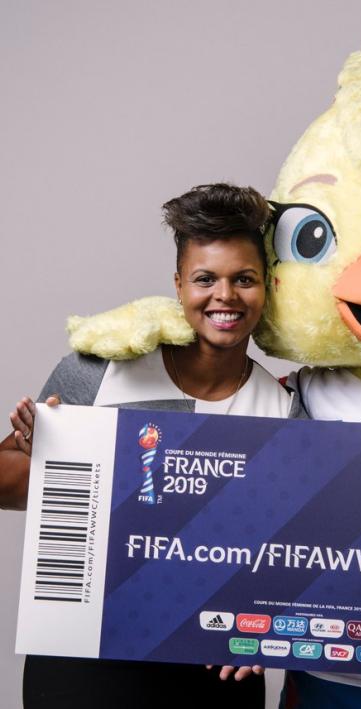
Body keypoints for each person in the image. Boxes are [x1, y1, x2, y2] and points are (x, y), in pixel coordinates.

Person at [0, 183, 300, 709]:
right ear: (179, 284)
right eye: (205, 279)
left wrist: (268, 625)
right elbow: (7, 483)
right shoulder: (101, 369)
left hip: (212, 665)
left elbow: (294, 549)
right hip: (85, 655)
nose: (225, 296)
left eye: (244, 279)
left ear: (266, 288)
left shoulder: (283, 409)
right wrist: (48, 460)